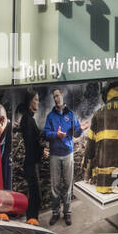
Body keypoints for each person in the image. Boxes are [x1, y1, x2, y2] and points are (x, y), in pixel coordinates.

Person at [43, 87, 83, 226]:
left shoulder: (71, 114)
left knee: (67, 185)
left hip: (68, 154)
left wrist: (79, 130)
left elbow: (77, 133)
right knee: (55, 186)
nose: (56, 98)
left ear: (62, 96)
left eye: (58, 95)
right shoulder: (50, 116)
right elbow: (46, 134)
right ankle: (55, 213)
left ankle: (67, 213)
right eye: (54, 96)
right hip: (54, 154)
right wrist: (56, 135)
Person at [16, 91, 48, 221]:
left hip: (31, 162)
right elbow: (31, 144)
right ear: (30, 101)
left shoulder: (28, 119)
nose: (38, 102)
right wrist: (42, 151)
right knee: (35, 197)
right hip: (31, 163)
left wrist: (41, 150)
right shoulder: (28, 120)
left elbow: (33, 142)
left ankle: (32, 220)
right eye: (36, 99)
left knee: (35, 195)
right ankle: (32, 222)